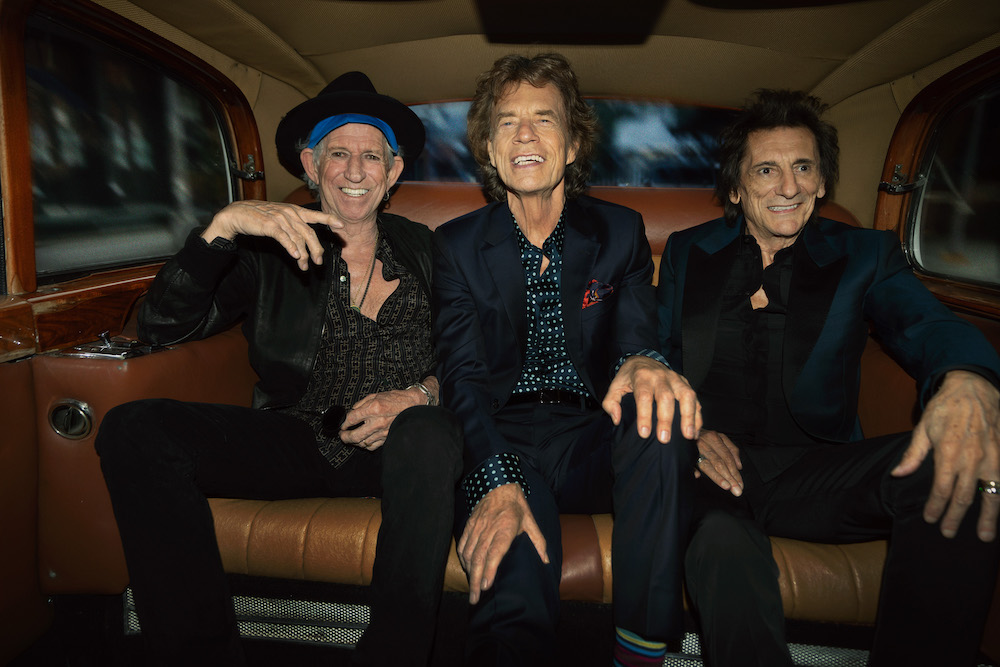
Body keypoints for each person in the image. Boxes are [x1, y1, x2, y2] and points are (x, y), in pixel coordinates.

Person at [95, 71, 462, 667]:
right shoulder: (264, 251)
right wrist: (222, 228)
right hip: (299, 436)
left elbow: (479, 357)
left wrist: (419, 395)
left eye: (372, 156)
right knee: (133, 429)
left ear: (393, 172)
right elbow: (161, 326)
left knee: (427, 431)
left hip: (407, 451)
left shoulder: (433, 250)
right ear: (311, 165)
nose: (354, 171)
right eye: (337, 154)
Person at [657, 89, 1000, 667]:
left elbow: (926, 322)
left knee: (953, 457)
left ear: (821, 183)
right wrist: (685, 434)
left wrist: (968, 378)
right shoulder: (688, 252)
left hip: (817, 470)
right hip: (711, 466)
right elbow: (656, 357)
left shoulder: (867, 254)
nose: (788, 187)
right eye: (766, 170)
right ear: (736, 188)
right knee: (718, 539)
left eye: (803, 168)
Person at [432, 53, 701, 667]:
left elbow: (635, 342)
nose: (524, 135)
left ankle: (641, 650)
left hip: (591, 436)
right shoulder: (456, 246)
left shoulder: (619, 233)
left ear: (574, 144)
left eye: (544, 119)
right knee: (511, 556)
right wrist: (495, 477)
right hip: (503, 435)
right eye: (507, 123)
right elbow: (462, 378)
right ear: (490, 149)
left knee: (658, 419)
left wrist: (645, 362)